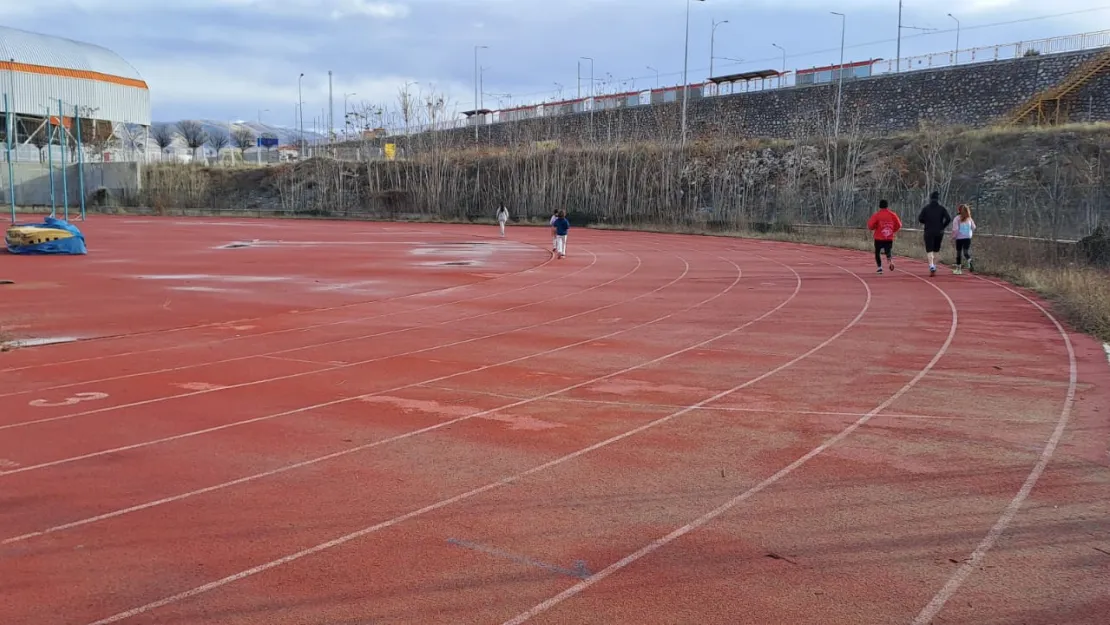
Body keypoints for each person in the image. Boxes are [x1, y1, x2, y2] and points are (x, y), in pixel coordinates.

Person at [918, 191, 952, 277]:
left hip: (928, 230)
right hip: (939, 231)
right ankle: (935, 265)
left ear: (930, 198)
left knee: (929, 249)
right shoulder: (942, 208)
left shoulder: (926, 208)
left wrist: (926, 222)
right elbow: (948, 218)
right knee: (936, 249)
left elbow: (920, 218)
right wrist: (942, 226)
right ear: (938, 199)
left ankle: (931, 265)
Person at [867, 199, 902, 274]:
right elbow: (899, 225)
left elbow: (870, 225)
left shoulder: (877, 215)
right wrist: (892, 230)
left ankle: (879, 268)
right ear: (887, 206)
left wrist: (874, 227)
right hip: (888, 237)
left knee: (877, 252)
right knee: (888, 251)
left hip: (878, 237)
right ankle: (890, 261)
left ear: (879, 206)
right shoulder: (893, 214)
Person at [951, 203, 976, 274]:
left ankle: (958, 270)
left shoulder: (957, 218)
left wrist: (953, 237)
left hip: (959, 238)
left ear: (959, 210)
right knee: (965, 252)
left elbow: (955, 229)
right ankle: (969, 260)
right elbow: (974, 227)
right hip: (968, 237)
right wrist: (970, 232)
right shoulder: (969, 218)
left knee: (959, 253)